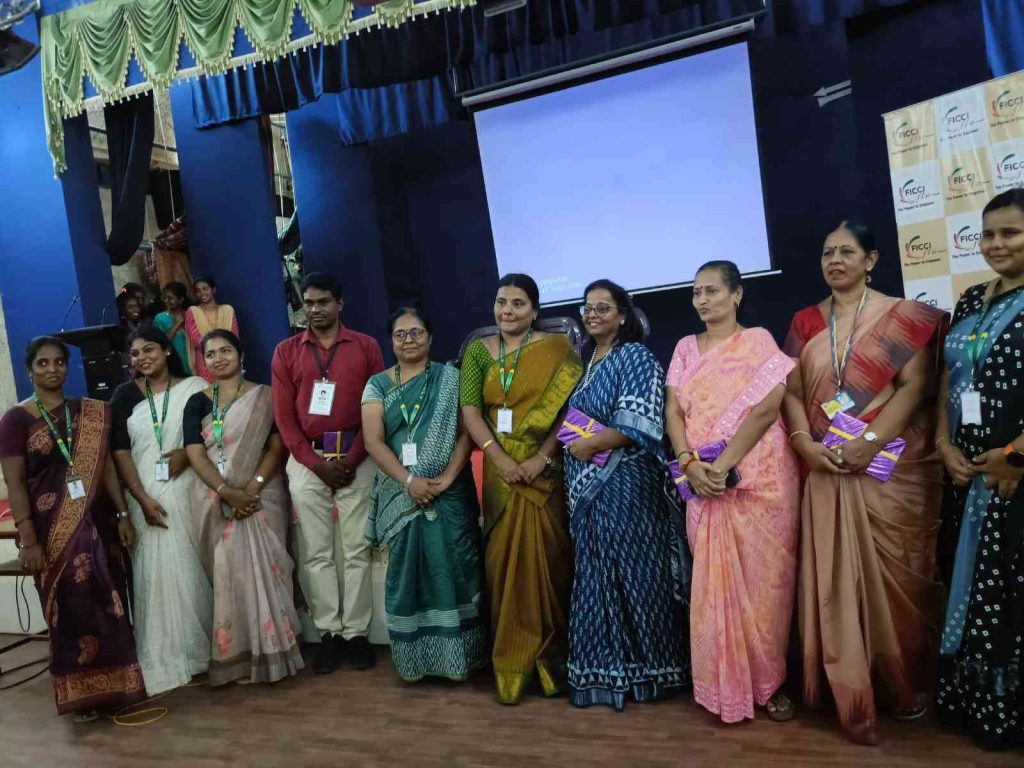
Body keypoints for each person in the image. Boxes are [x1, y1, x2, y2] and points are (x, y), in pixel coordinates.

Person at [782, 220, 948, 745]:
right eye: (827, 252)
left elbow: (915, 387)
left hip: (888, 470)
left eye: (846, 252)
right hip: (826, 466)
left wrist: (869, 442)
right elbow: (791, 392)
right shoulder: (807, 321)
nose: (834, 260)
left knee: (898, 582)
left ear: (871, 260)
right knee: (836, 582)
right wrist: (804, 443)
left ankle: (899, 685)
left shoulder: (903, 317)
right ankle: (848, 688)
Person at [664, 262, 799, 723]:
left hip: (760, 479)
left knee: (766, 587)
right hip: (700, 478)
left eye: (712, 291)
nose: (702, 300)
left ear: (737, 294)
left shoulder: (758, 341)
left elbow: (767, 407)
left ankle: (770, 683)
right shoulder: (685, 348)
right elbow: (673, 411)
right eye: (696, 293)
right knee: (713, 585)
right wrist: (688, 463)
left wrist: (721, 468)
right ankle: (724, 686)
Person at [0, 337, 145, 722]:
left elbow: (107, 466)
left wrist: (122, 514)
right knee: (70, 611)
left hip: (99, 524)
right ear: (30, 370)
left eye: (59, 362)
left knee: (110, 604)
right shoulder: (16, 420)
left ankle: (119, 687)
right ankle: (82, 696)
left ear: (68, 367)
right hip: (51, 533)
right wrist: (28, 539)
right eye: (43, 363)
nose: (52, 369)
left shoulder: (90, 412)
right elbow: (16, 483)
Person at [562, 279, 688, 710]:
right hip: (591, 492)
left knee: (638, 574)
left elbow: (642, 423)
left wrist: (591, 445)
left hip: (629, 486)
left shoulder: (634, 356)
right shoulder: (589, 364)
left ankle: (653, 672)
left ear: (622, 315)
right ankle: (605, 672)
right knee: (597, 576)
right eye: (587, 308)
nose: (592, 314)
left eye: (603, 307)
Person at [460, 273, 583, 704]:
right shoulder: (478, 351)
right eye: (501, 302)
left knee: (549, 563)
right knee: (502, 567)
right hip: (501, 474)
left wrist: (541, 458)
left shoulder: (558, 349)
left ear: (534, 310)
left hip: (543, 472)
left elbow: (570, 410)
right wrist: (499, 459)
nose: (507, 311)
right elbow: (471, 411)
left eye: (517, 303)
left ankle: (551, 663)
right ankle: (510, 664)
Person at [934, 188, 1024, 750]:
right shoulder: (971, 299)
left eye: (1010, 233)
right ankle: (975, 707)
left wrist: (1015, 455)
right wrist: (943, 444)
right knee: (971, 591)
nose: (995, 244)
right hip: (966, 478)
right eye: (988, 234)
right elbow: (950, 378)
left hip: (1014, 480)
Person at [361, 308, 485, 682]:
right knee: (408, 574)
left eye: (416, 333)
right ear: (391, 341)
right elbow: (373, 441)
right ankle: (415, 661)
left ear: (430, 337)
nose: (409, 340)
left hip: (450, 493)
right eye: (400, 334)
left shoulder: (452, 379)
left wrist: (446, 478)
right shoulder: (377, 385)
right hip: (402, 495)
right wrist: (409, 481)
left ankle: (463, 657)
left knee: (458, 569)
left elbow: (466, 432)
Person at [271, 272, 384, 675]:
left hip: (358, 455)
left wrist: (352, 459)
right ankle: (329, 634)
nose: (314, 309)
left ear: (340, 304)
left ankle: (356, 634)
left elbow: (376, 408)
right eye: (308, 302)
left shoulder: (366, 346)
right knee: (315, 552)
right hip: (308, 461)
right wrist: (315, 463)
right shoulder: (286, 351)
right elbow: (284, 419)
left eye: (323, 302)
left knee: (356, 549)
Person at [183, 330, 303, 685]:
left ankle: (276, 651)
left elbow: (277, 446)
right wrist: (226, 491)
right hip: (216, 499)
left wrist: (252, 487)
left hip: (261, 497)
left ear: (240, 354)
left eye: (225, 351)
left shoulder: (264, 396)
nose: (218, 358)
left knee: (270, 568)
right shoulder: (197, 403)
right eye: (211, 354)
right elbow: (194, 453)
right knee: (228, 573)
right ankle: (238, 656)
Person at [111, 326, 213, 696]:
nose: (142, 358)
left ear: (167, 351)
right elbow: (120, 451)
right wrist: (140, 499)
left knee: (191, 565)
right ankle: (170, 652)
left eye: (149, 349)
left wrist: (187, 454)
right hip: (146, 494)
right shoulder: (124, 396)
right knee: (154, 573)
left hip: (189, 487)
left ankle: (204, 647)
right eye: (135, 353)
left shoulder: (195, 388)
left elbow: (214, 433)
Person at [185, 275, 239, 382]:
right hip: (206, 359)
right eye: (198, 291)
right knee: (210, 389)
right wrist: (215, 350)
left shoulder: (227, 310)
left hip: (227, 357)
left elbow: (234, 336)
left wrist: (222, 351)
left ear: (213, 290)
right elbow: (195, 339)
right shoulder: (193, 311)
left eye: (205, 289)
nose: (202, 293)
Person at [153, 281, 192, 376]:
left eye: (170, 298)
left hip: (193, 362)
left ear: (181, 300)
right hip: (174, 363)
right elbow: (160, 343)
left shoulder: (190, 314)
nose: (166, 301)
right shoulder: (160, 318)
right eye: (164, 298)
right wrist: (176, 324)